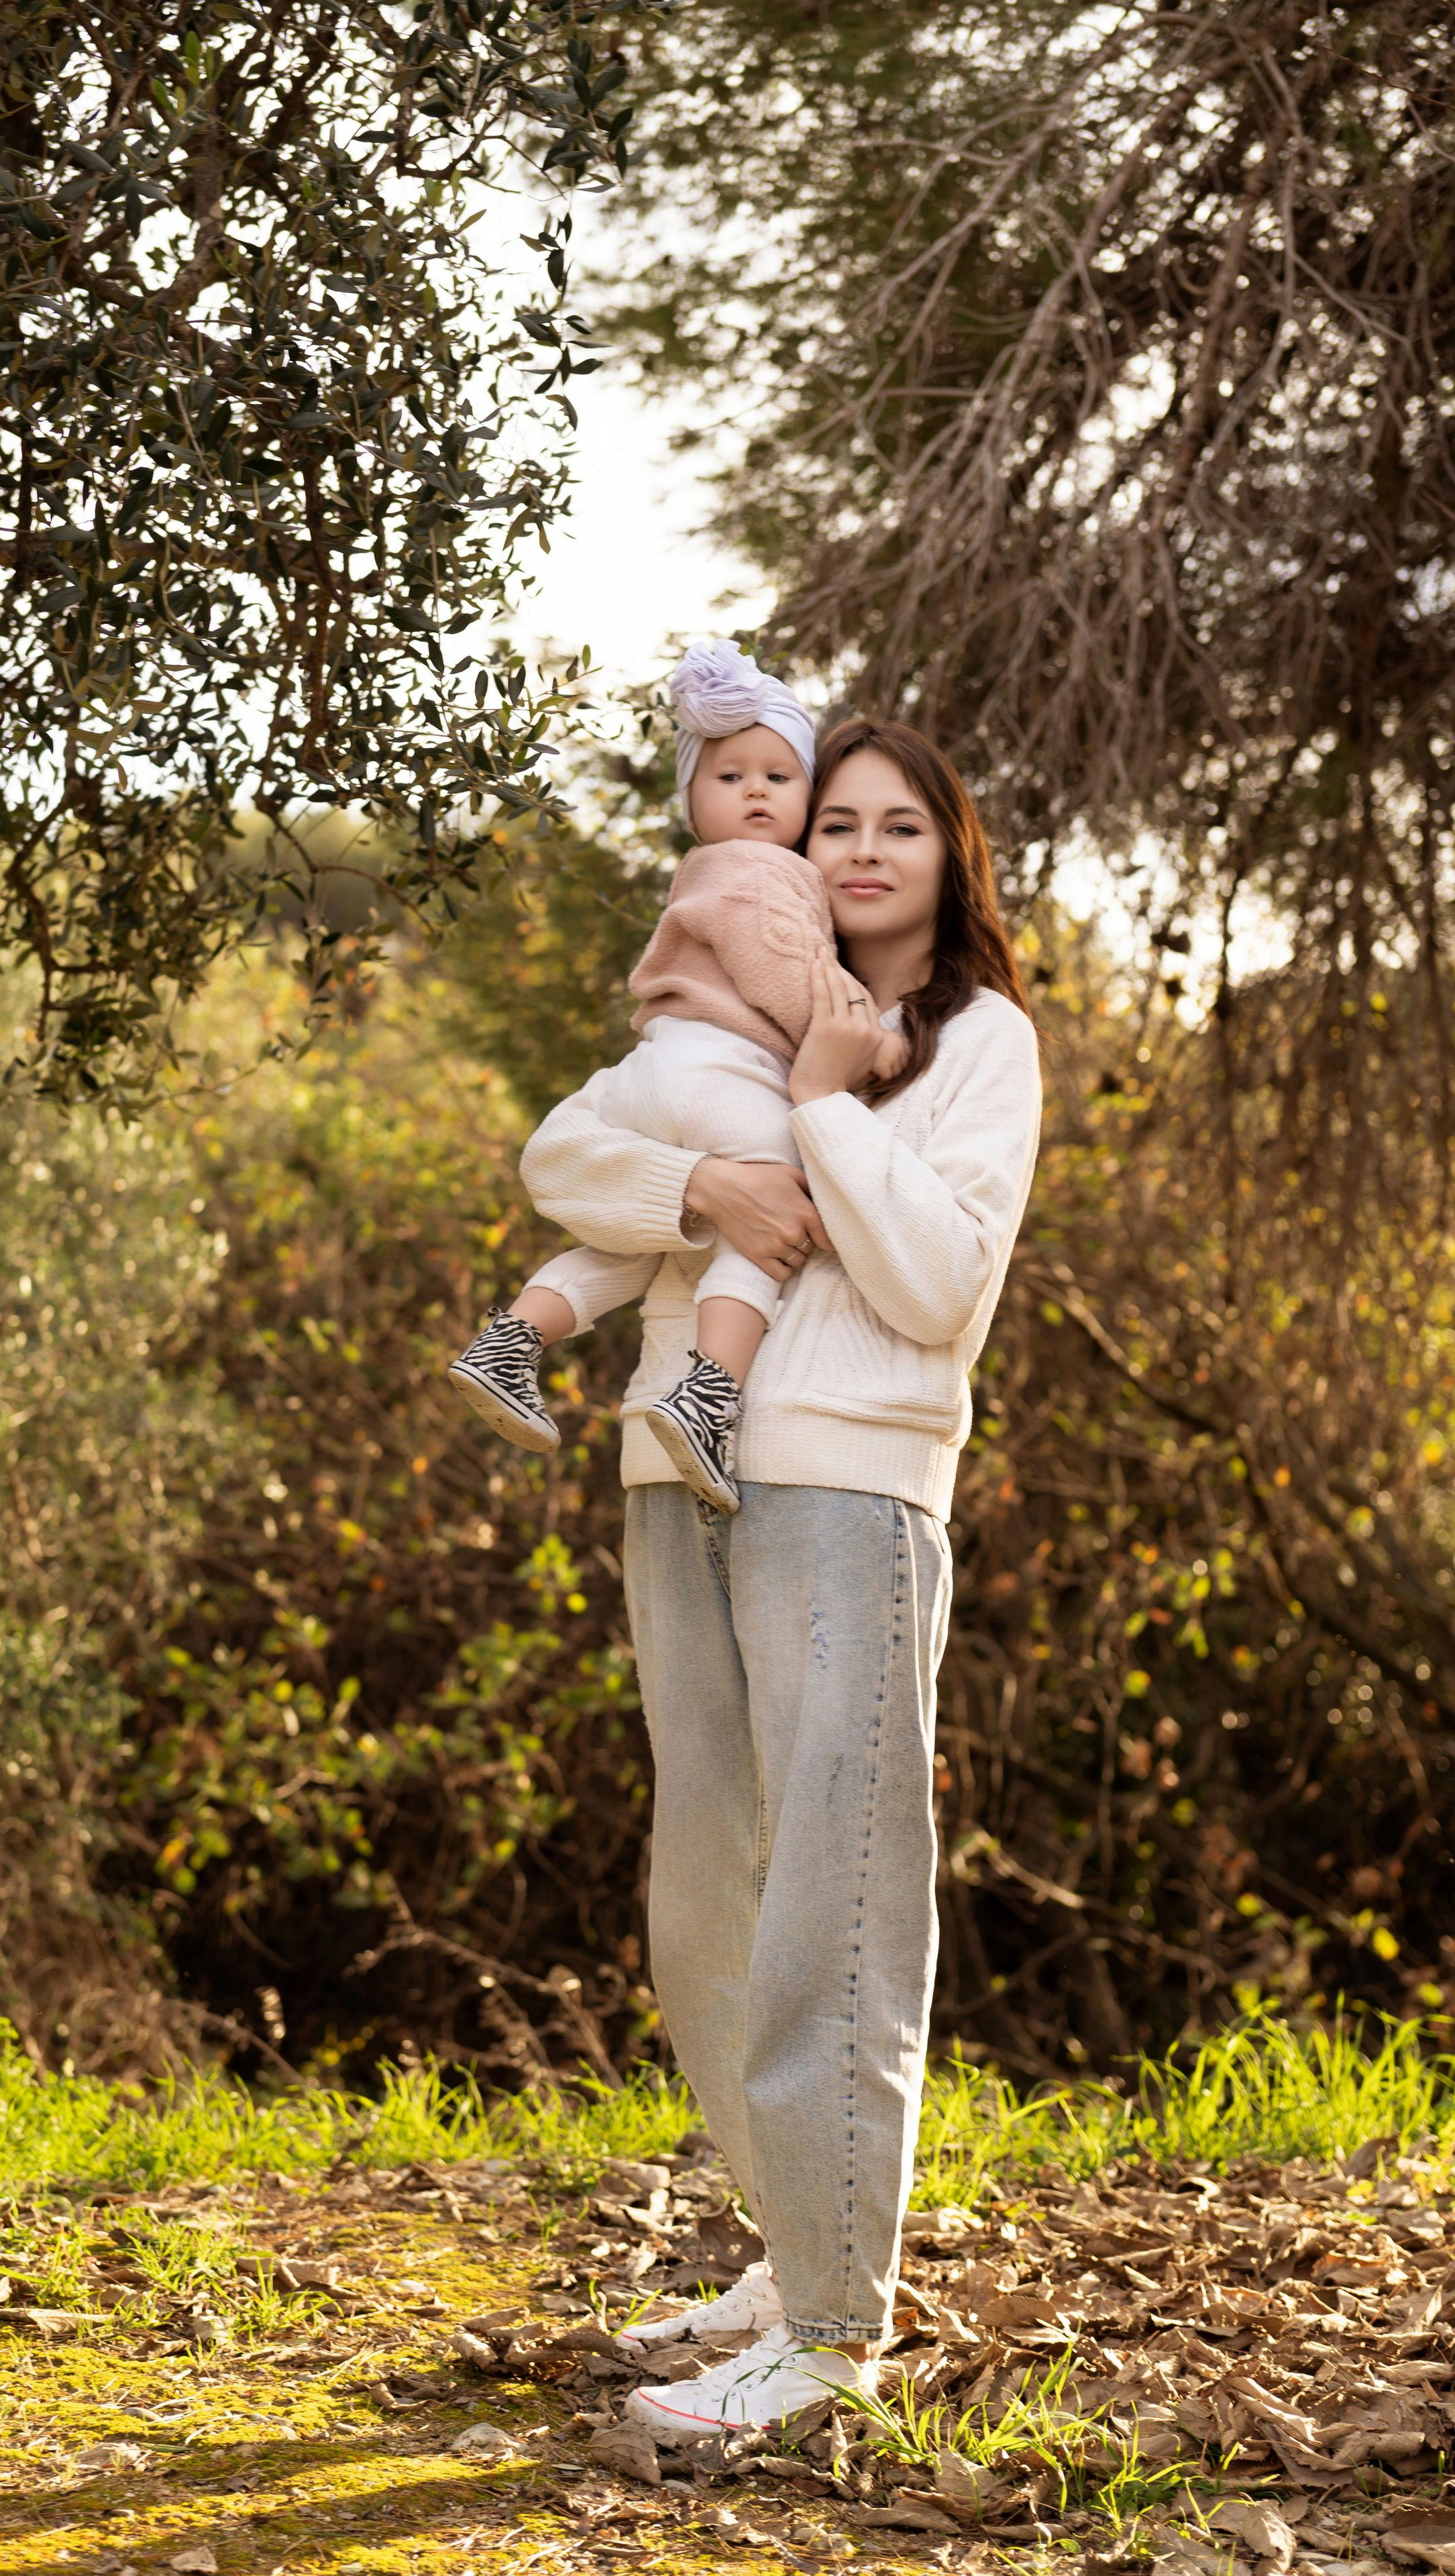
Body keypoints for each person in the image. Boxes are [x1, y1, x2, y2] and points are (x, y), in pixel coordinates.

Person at [516, 716, 1042, 2436]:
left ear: (951, 856)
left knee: (836, 1906)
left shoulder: (977, 1047)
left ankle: (828, 2331)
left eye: (904, 825)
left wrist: (821, 1114)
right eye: (834, 822)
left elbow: (933, 1285)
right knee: (706, 1915)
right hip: (681, 1473)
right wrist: (708, 1178)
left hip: (846, 1492)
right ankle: (784, 2246)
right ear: (788, 852)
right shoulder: (720, 1026)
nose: (864, 851)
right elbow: (565, 1163)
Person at [447, 639, 905, 1513]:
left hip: (654, 1072)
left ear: (809, 794)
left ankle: (510, 1341)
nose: (758, 791)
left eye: (779, 775)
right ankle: (708, 1394)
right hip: (722, 1072)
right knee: (780, 1209)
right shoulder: (765, 873)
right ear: (692, 803)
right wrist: (868, 1043)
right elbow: (786, 974)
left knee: (643, 1237)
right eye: (730, 778)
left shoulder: (708, 872)